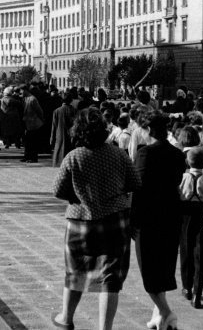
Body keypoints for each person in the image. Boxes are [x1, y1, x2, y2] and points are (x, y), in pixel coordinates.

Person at [52, 108, 141, 330]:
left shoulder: (74, 156)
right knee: (110, 277)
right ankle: (104, 328)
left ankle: (66, 318)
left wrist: (79, 196)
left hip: (80, 222)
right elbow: (135, 183)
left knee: (75, 272)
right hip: (115, 220)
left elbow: (58, 191)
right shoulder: (118, 154)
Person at [131, 112, 186, 330]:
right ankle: (159, 317)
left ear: (147, 130)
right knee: (163, 267)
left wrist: (133, 219)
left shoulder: (145, 154)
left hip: (150, 216)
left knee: (149, 271)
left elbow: (140, 189)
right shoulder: (176, 153)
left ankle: (166, 313)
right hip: (171, 212)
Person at [178, 147, 203, 309]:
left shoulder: (182, 177)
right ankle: (197, 293)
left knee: (185, 251)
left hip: (185, 215)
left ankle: (186, 286)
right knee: (201, 254)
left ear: (187, 161)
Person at [50, 92, 77, 167]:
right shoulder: (74, 111)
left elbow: (54, 126)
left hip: (60, 136)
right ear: (71, 100)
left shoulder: (57, 111)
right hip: (71, 136)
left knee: (59, 155)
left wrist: (52, 138)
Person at [20, 84, 44, 163]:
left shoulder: (33, 99)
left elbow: (39, 110)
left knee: (33, 141)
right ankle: (27, 156)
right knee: (27, 141)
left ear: (26, 90)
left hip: (33, 123)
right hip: (27, 122)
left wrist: (41, 119)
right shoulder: (24, 98)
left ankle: (33, 157)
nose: (21, 92)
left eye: (22, 90)